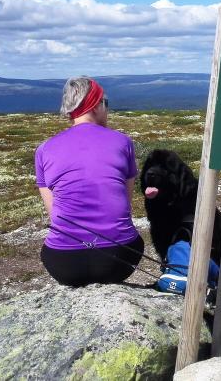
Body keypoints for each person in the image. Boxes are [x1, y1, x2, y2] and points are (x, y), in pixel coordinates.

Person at [35, 76, 144, 286]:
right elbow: (125, 204)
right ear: (96, 105)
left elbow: (55, 213)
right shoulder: (123, 142)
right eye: (106, 103)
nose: (108, 110)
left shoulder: (44, 149)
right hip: (119, 259)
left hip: (63, 263)